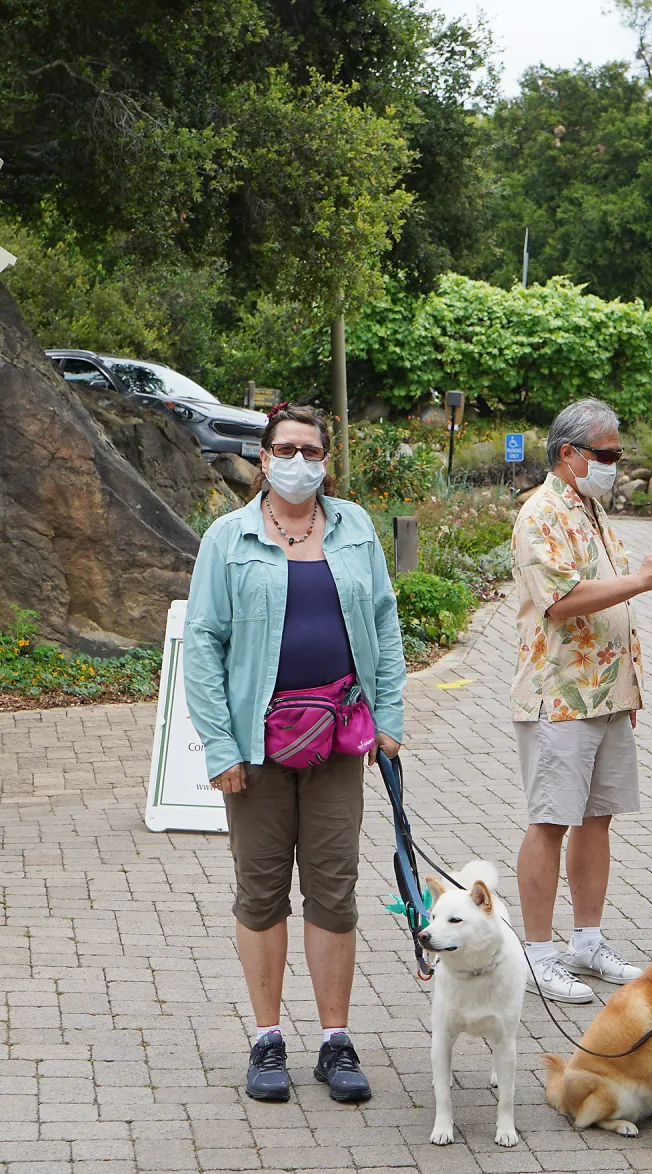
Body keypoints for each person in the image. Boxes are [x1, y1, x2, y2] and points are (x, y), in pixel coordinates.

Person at [184, 404, 407, 1105]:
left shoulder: (354, 528)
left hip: (341, 741)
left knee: (334, 892)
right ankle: (267, 1038)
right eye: (286, 448)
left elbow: (384, 622)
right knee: (261, 893)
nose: (299, 461)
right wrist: (220, 746)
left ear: (326, 460)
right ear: (262, 458)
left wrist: (391, 716)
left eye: (311, 451)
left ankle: (335, 1041)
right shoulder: (228, 538)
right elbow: (203, 647)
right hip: (256, 747)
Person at [511, 398, 652, 1003]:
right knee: (549, 822)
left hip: (606, 695)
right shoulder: (540, 514)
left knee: (597, 817)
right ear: (569, 454)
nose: (615, 463)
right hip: (560, 696)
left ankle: (586, 941)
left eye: (617, 454)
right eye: (607, 454)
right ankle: (538, 952)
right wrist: (641, 580)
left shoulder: (588, 509)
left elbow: (608, 590)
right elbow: (561, 601)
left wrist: (628, 683)